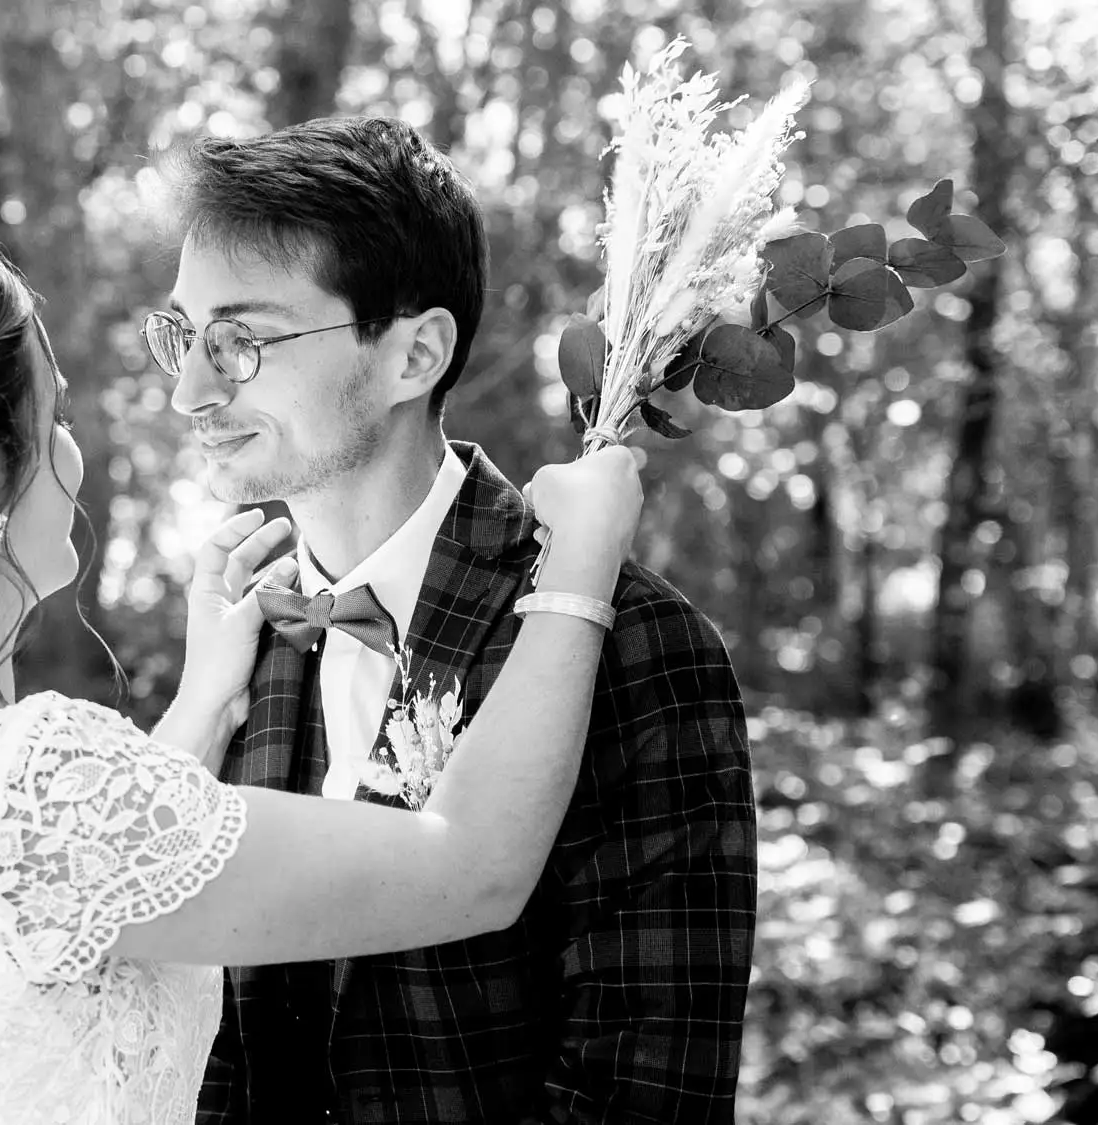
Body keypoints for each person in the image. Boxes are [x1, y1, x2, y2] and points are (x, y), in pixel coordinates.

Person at [0, 229, 643, 1125]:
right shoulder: (26, 791)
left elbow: (49, 921)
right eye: (51, 417)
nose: (71, 455)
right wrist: (578, 571)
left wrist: (205, 694)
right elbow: (468, 868)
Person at [145, 116, 758, 1124]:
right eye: (182, 335)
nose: (189, 390)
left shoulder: (633, 642)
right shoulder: (234, 641)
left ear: (412, 354)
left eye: (242, 340)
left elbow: (643, 1094)